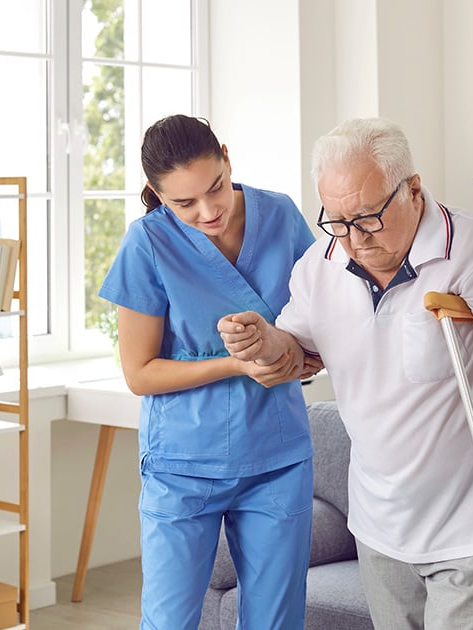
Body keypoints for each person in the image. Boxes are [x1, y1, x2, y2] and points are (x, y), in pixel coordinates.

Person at [218, 118, 473, 630]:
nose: (353, 239)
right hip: (379, 527)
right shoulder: (318, 266)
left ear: (411, 189)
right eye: (336, 221)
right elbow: (297, 355)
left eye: (366, 218)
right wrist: (264, 340)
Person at [98, 114, 320, 629]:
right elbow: (139, 372)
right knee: (170, 622)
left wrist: (294, 355)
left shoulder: (281, 215)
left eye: (215, 188)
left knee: (276, 622)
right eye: (184, 203)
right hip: (182, 464)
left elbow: (320, 327)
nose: (208, 210)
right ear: (157, 193)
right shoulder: (147, 244)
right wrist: (236, 361)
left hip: (277, 456)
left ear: (226, 156)